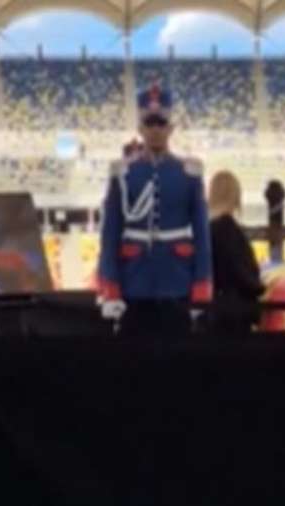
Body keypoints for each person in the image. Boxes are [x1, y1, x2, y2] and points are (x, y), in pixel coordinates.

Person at [97, 84, 213, 338]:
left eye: (161, 122)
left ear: (171, 128)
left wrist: (201, 285)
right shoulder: (123, 172)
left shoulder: (189, 172)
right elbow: (110, 234)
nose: (156, 129)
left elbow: (202, 236)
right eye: (149, 123)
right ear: (140, 128)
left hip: (177, 280)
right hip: (134, 282)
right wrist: (111, 287)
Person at [207, 170, 265, 336]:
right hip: (233, 313)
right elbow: (240, 272)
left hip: (214, 308)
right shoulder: (227, 229)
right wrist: (260, 288)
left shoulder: (209, 228)